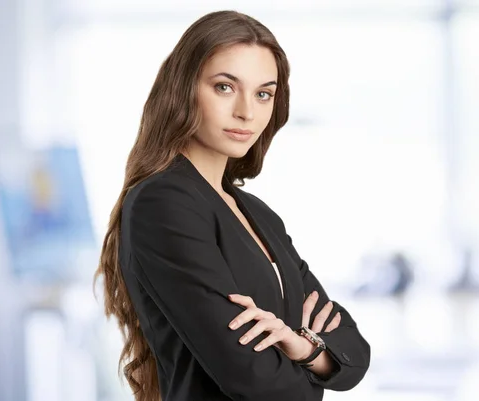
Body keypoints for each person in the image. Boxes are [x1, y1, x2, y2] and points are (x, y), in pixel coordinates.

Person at [94, 10, 370, 401]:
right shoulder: (163, 204)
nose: (247, 112)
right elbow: (253, 380)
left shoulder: (258, 213)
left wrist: (304, 348)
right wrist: (313, 366)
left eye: (263, 93)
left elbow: (354, 354)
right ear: (184, 89)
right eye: (225, 87)